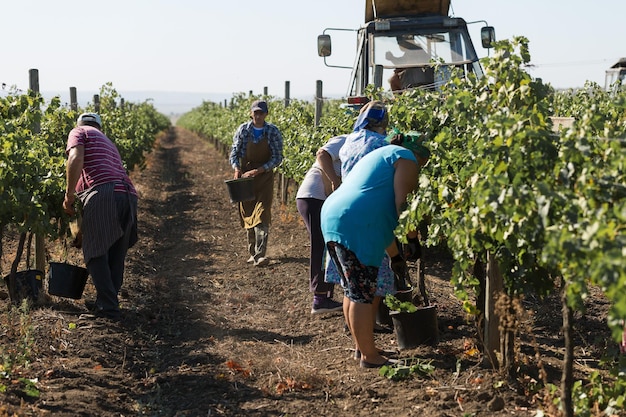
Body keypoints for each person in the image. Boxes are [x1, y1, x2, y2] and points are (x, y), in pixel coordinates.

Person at [321, 140, 430, 368]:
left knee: (352, 290)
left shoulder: (382, 156)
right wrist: (412, 239)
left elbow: (381, 218)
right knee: (362, 294)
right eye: (424, 164)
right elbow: (403, 206)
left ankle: (362, 349)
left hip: (335, 216)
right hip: (356, 221)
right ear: (420, 156)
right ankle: (370, 358)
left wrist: (395, 256)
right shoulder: (407, 158)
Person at [63, 112, 138, 321]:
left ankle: (108, 307)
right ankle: (109, 302)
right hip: (129, 195)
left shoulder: (78, 132)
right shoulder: (108, 141)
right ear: (99, 126)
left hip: (105, 193)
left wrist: (69, 194)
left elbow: (75, 157)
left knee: (95, 251)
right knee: (115, 254)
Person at [296, 135, 347, 314]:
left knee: (327, 244)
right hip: (314, 196)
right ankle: (320, 298)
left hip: (320, 198)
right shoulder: (346, 139)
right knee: (321, 245)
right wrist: (334, 180)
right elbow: (322, 154)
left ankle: (324, 295)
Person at [229, 100, 284, 267]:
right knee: (248, 212)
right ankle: (252, 253)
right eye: (256, 112)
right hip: (245, 177)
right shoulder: (243, 130)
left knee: (262, 213)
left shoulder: (272, 131)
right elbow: (234, 152)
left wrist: (260, 170)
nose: (258, 116)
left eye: (261, 113)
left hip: (264, 177)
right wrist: (237, 168)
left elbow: (277, 157)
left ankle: (260, 254)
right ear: (251, 114)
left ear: (266, 114)